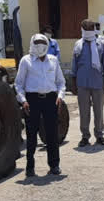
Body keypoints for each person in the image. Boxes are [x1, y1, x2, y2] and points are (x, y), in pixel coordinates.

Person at [15, 34, 66, 177]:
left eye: (43, 42)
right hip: (32, 100)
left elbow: (61, 82)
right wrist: (23, 100)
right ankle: (30, 167)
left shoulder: (53, 60)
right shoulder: (26, 61)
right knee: (31, 135)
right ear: (32, 43)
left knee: (52, 134)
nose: (40, 45)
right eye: (37, 42)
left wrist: (60, 97)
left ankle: (54, 165)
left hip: (51, 99)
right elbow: (18, 84)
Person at [72, 20, 104, 147]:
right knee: (84, 111)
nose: (89, 30)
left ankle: (99, 135)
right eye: (86, 28)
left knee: (99, 110)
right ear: (82, 29)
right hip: (82, 82)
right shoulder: (78, 45)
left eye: (91, 28)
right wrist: (73, 82)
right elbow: (74, 64)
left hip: (98, 82)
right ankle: (85, 136)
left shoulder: (100, 44)